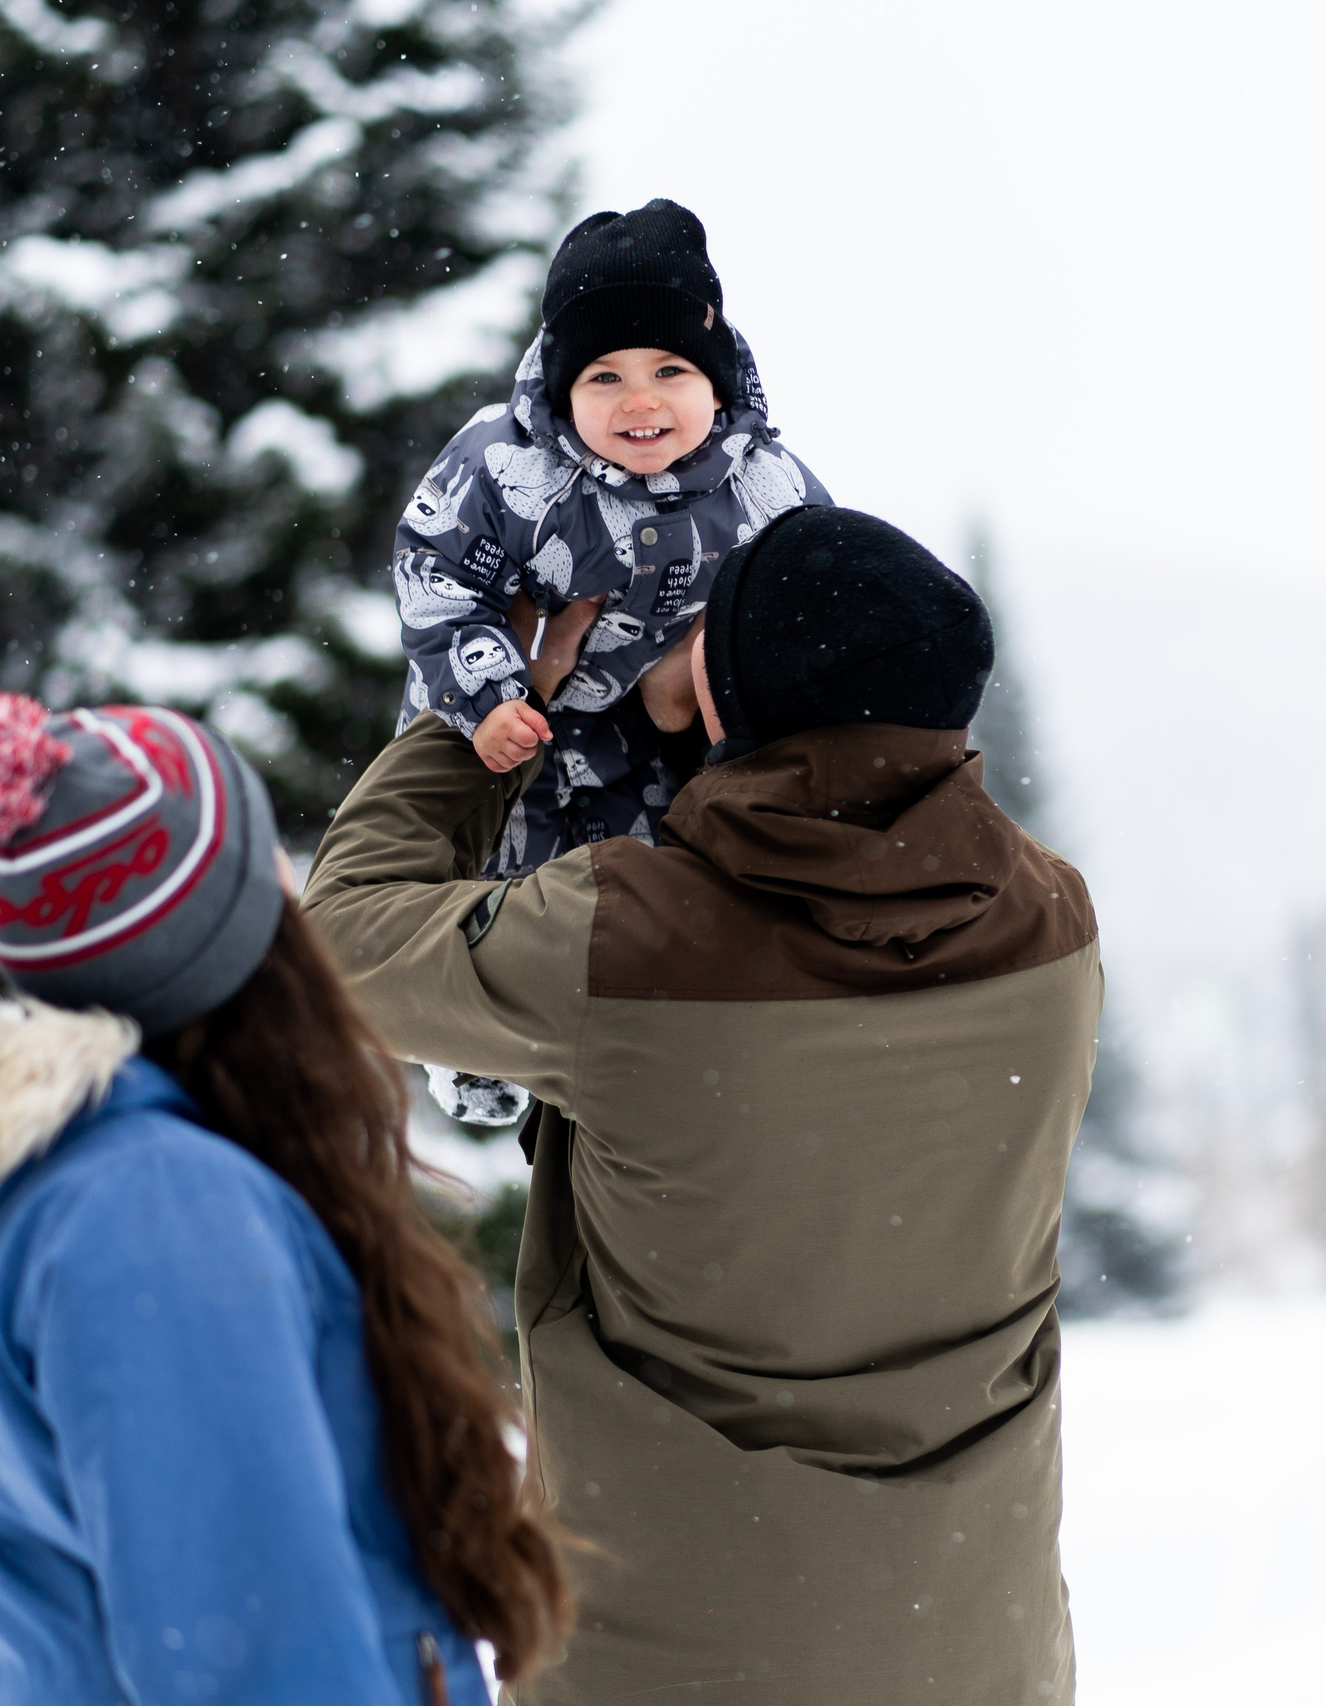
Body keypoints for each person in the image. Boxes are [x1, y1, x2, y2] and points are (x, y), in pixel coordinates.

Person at [306, 508, 1103, 1702]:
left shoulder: (623, 940)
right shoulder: (1050, 930)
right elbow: (848, 862)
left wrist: (490, 717)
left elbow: (339, 939)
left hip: (668, 1651)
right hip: (975, 1640)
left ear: (726, 698)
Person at [0, 693, 570, 1706]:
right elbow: (257, 1668)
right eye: (266, 848)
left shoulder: (128, 1193)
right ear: (229, 928)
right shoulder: (154, 1215)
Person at [389, 198, 830, 1123]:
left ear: (717, 380)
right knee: (506, 878)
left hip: (655, 735)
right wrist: (494, 690)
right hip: (518, 722)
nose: (640, 401)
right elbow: (436, 575)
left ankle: (650, 1055)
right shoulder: (506, 469)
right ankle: (481, 1059)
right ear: (561, 386)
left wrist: (735, 702)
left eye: (671, 369)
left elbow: (816, 597)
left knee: (643, 889)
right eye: (604, 376)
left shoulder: (766, 487)